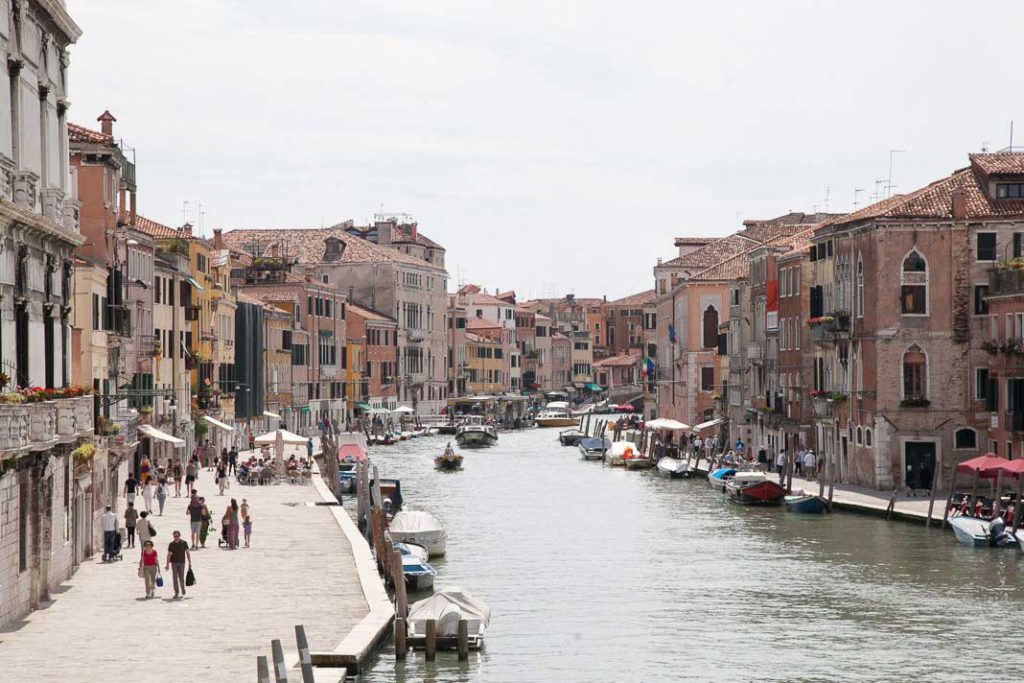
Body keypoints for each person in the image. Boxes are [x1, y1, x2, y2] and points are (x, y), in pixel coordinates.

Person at [165, 530, 192, 599]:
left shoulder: (184, 543)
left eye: (177, 536)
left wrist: (190, 562)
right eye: (175, 536)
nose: (176, 537)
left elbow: (187, 552)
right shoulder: (171, 544)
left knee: (181, 577)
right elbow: (169, 555)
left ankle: (182, 588)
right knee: (175, 578)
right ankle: (176, 592)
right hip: (174, 563)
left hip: (182, 563)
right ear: (173, 536)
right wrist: (167, 564)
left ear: (179, 536)